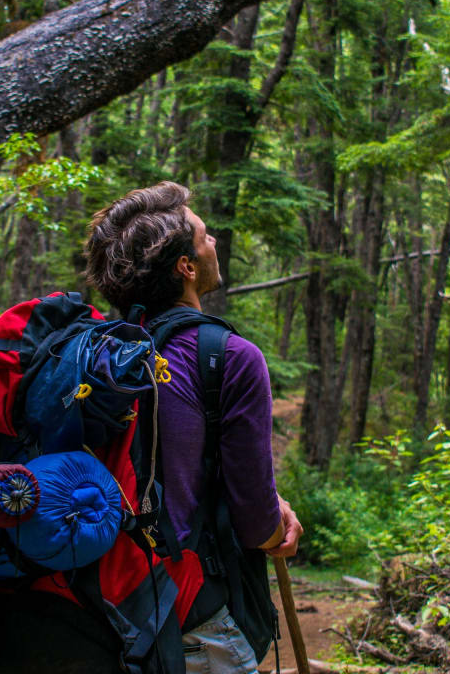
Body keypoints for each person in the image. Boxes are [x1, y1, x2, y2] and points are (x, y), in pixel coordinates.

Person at [84, 181, 303, 673]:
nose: (214, 243)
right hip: (190, 615)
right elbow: (254, 521)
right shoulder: (229, 358)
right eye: (204, 237)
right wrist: (278, 521)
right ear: (186, 266)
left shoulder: (99, 354)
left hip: (100, 610)